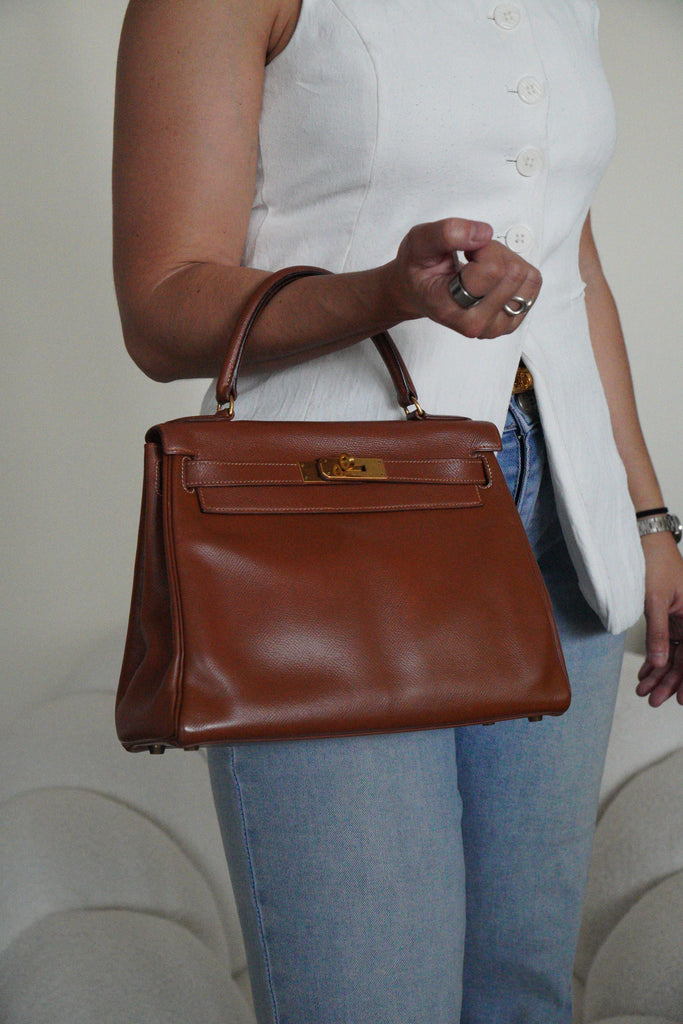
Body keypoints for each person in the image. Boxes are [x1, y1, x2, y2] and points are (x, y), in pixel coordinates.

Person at [112, 1, 683, 1020]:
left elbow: (571, 267)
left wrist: (648, 518)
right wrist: (383, 293)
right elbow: (163, 304)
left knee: (521, 991)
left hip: (561, 520)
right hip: (325, 528)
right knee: (369, 995)